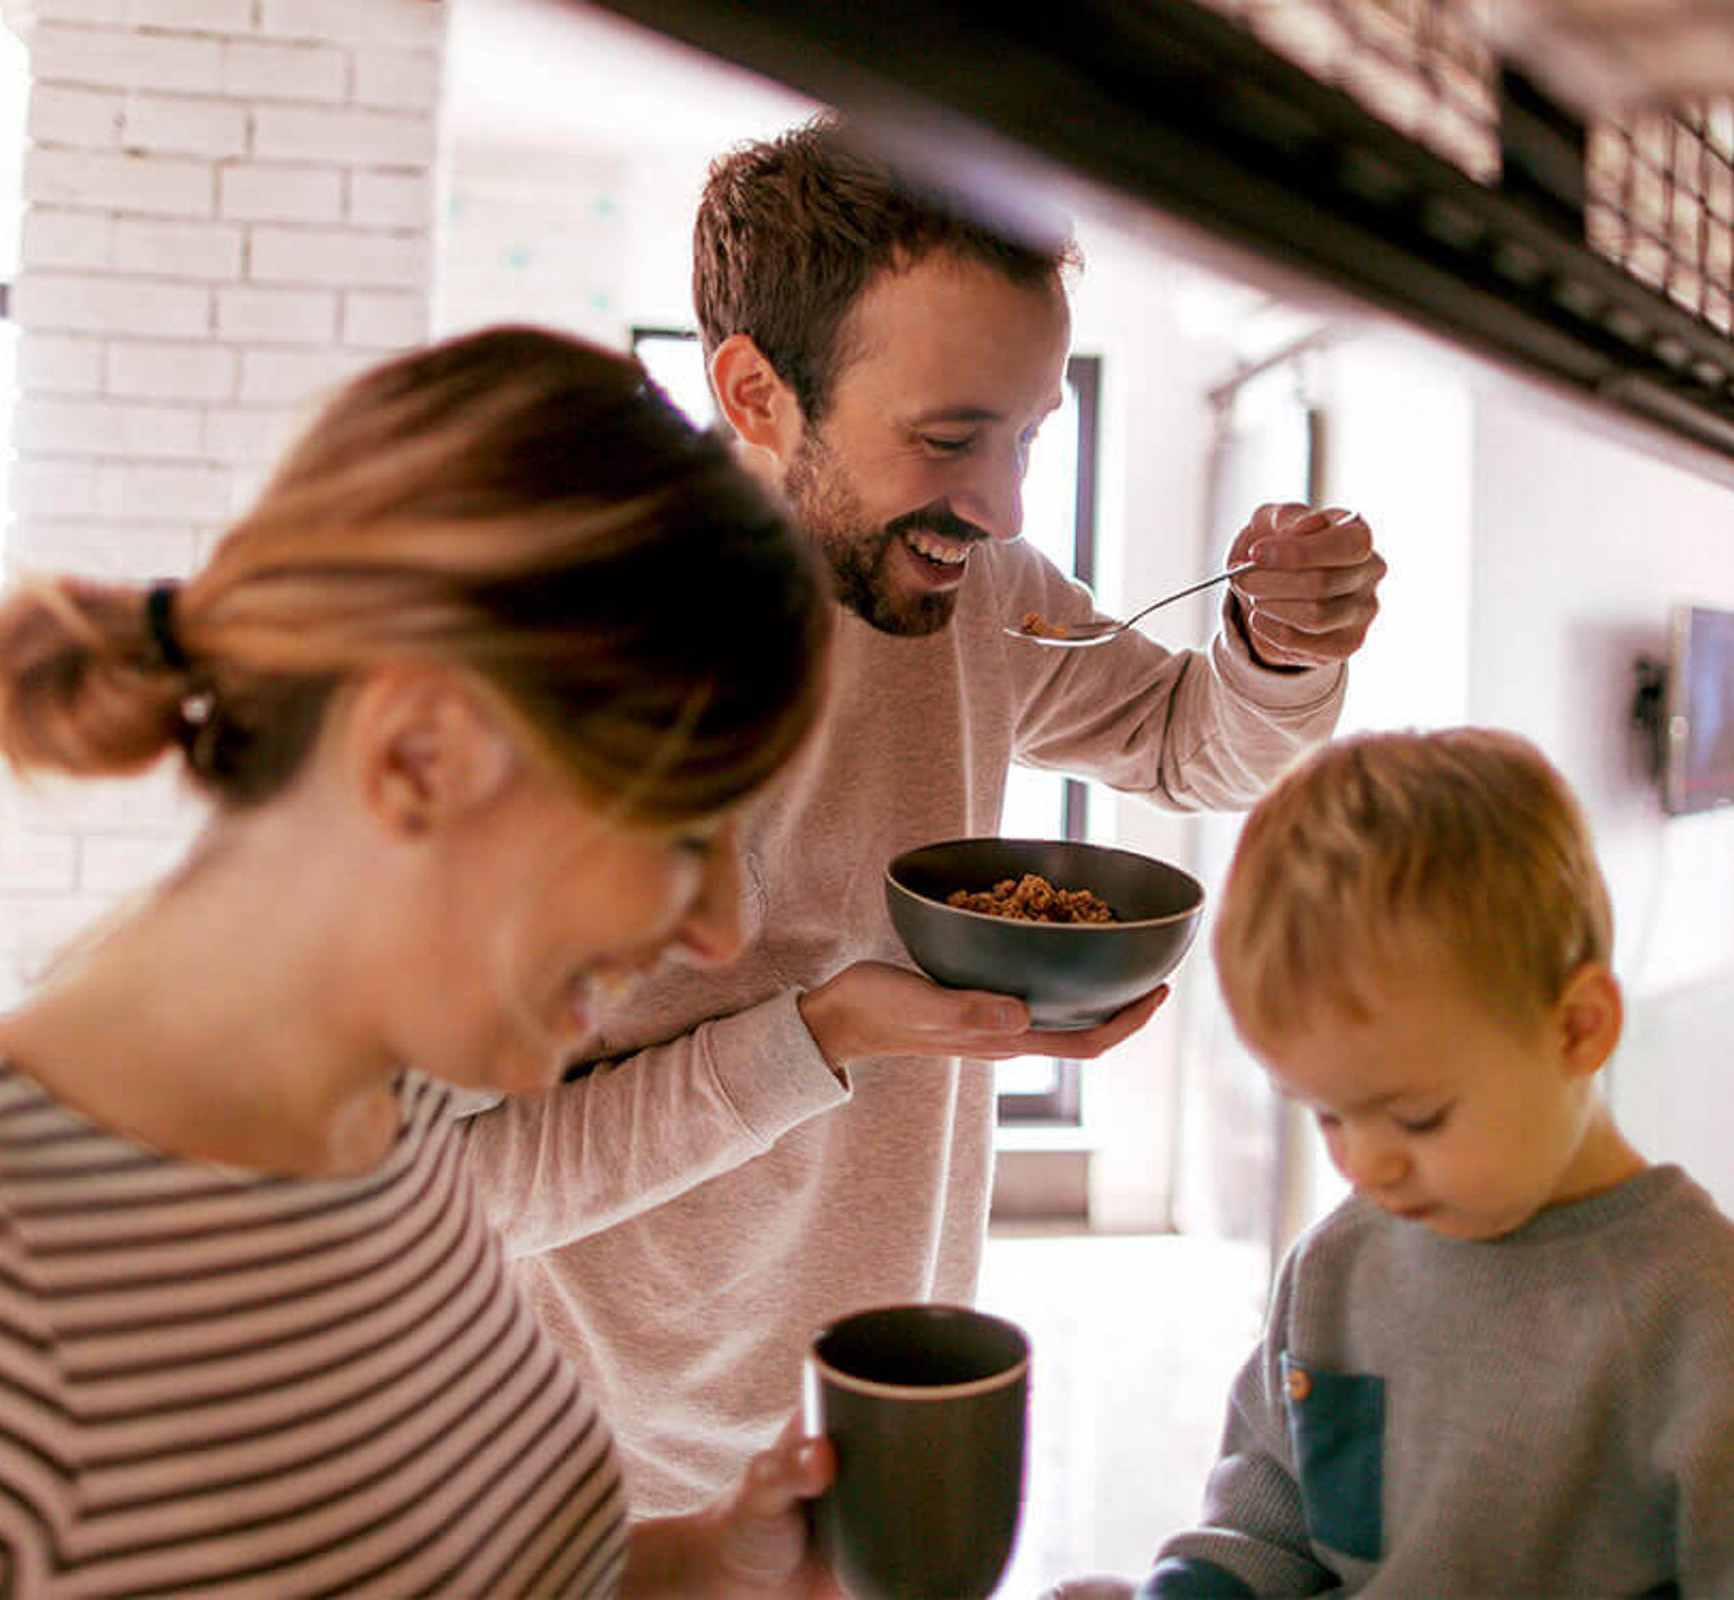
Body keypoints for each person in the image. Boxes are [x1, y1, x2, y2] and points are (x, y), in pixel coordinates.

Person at [454, 114, 1388, 1512]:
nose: (1007, 508)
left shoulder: (981, 592)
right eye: (953, 437)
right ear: (757, 394)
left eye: (1030, 435)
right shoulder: (552, 659)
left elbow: (1193, 745)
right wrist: (829, 1030)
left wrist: (1287, 646)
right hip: (577, 1480)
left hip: (879, 1414)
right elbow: (459, 1193)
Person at [0, 327, 843, 1597]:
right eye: (684, 828)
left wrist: (711, 1564)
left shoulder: (388, 1126)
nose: (722, 928)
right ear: (418, 756)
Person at [1096, 728, 1734, 1597]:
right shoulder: (1337, 1264)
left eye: (1416, 1117)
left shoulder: (1699, 1307)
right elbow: (1259, 1525)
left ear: (1577, 1030)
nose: (1366, 1166)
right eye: (1330, 1115)